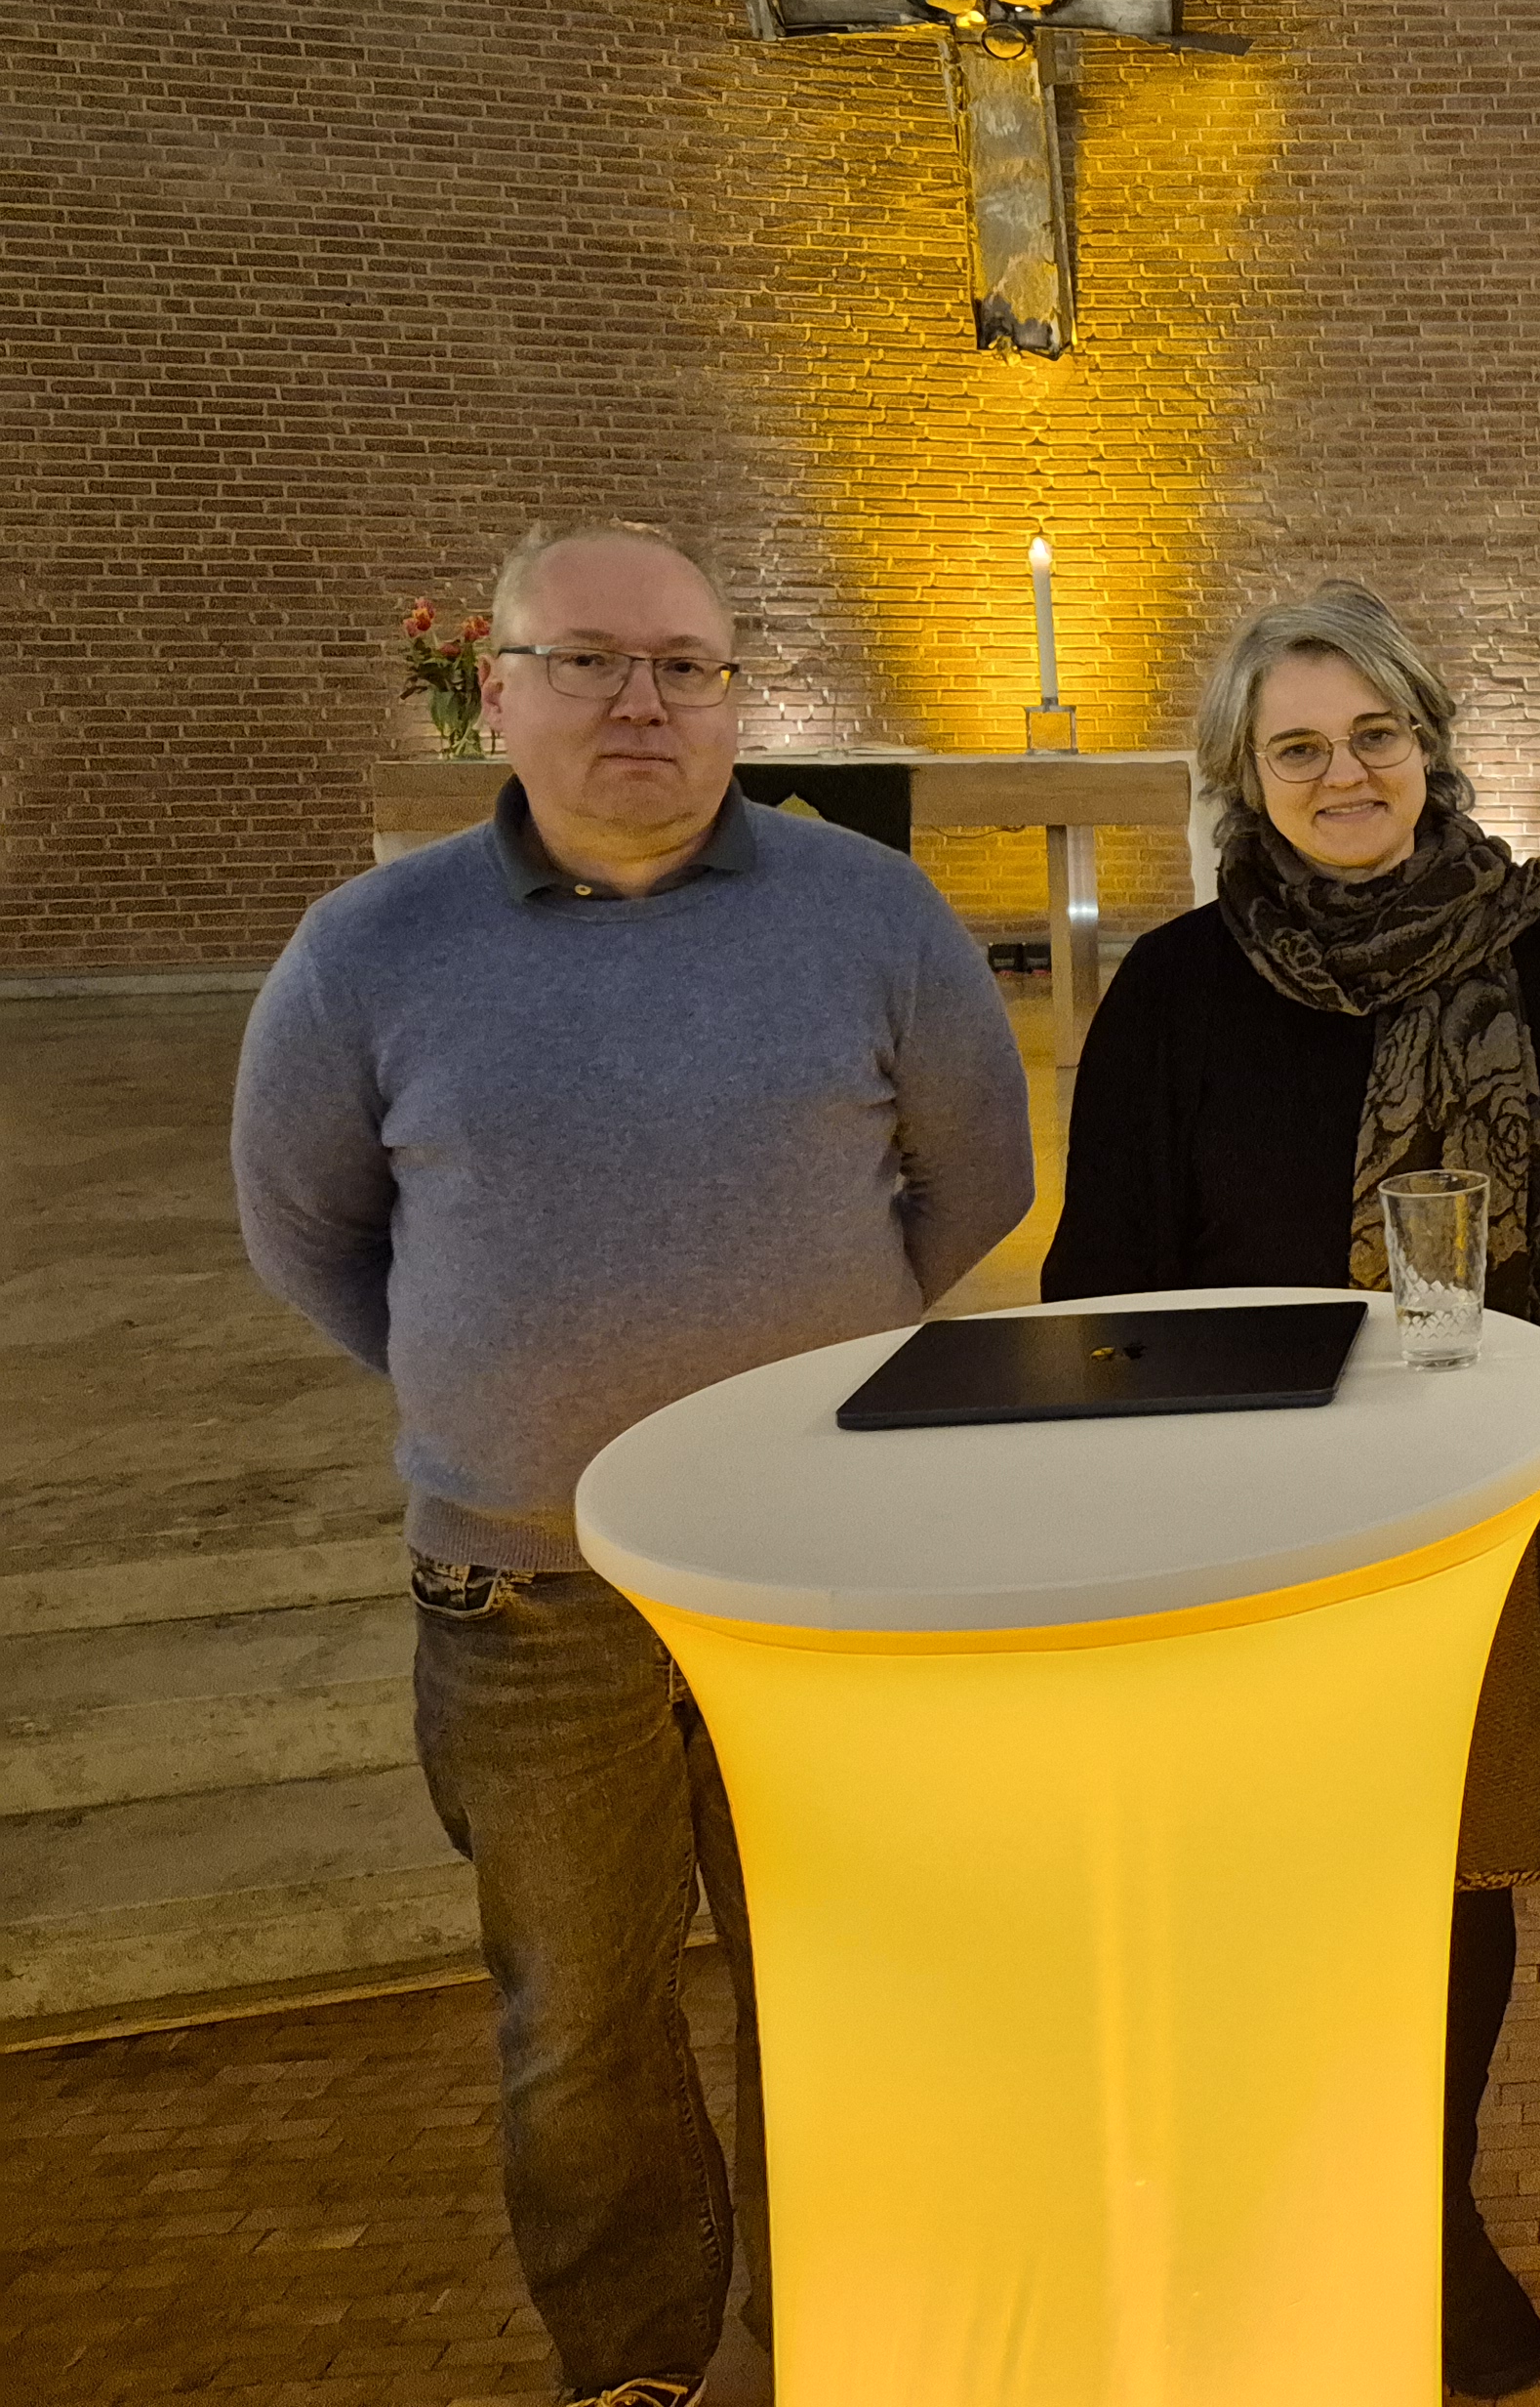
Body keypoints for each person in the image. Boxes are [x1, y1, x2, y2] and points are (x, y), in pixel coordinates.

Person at [234, 519, 1034, 2407]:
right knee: (580, 2026)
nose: (642, 704)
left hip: (821, 1578)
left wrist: (801, 1382)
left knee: (847, 1988)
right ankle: (640, 2366)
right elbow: (308, 1234)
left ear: (737, 698)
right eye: (588, 661)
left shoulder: (869, 913)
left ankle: (840, 2344)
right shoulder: (370, 952)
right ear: (495, 694)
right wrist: (494, 1387)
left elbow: (977, 1178)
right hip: (527, 1594)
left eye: (686, 666)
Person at [1040, 580, 1540, 2398]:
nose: (1347, 776)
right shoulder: (1178, 988)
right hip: (1245, 1524)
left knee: (1450, 1879)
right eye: (1301, 750)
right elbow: (1096, 1286)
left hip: (1487, 1513)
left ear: (1429, 745)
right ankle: (1287, 2206)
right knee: (1273, 1887)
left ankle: (1426, 2212)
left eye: (1376, 737)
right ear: (1244, 780)